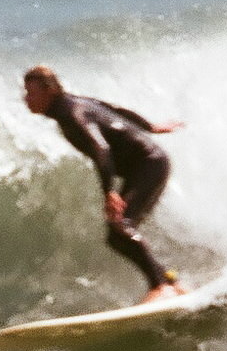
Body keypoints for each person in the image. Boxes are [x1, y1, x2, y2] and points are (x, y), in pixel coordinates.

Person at [22, 65, 188, 304]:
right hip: (145, 165)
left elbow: (102, 148)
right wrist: (150, 127)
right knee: (115, 236)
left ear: (49, 91)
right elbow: (114, 109)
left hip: (149, 164)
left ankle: (161, 286)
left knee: (121, 224)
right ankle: (170, 281)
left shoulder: (71, 114)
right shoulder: (74, 103)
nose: (26, 99)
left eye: (31, 93)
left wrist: (109, 191)